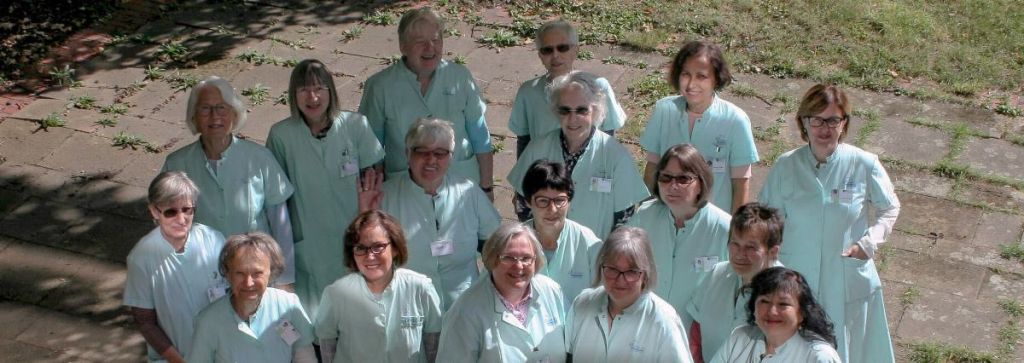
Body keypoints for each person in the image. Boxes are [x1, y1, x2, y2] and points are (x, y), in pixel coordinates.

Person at [758, 84, 899, 363]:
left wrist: (868, 243)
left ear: (844, 123)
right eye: (817, 120)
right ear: (803, 122)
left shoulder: (864, 163)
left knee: (848, 349)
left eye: (833, 120)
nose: (825, 129)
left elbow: (890, 207)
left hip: (845, 276)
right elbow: (766, 220)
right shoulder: (786, 166)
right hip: (797, 275)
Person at [267, 59, 385, 316]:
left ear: (331, 91)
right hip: (311, 244)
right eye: (304, 90)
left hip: (353, 234)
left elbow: (375, 178)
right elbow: (276, 198)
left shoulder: (355, 126)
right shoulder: (281, 136)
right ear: (293, 95)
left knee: (360, 312)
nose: (313, 97)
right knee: (318, 317)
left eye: (319, 88)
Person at [162, 76, 296, 289]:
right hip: (200, 275)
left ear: (235, 114)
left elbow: (281, 224)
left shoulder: (259, 158)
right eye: (205, 108)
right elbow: (168, 227)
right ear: (194, 116)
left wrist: (285, 280)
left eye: (221, 108)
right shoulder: (177, 164)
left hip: (255, 273)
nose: (214, 116)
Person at [367, 117, 501, 310]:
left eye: (440, 153)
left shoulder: (468, 191)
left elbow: (496, 243)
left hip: (463, 304)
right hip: (408, 305)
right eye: (422, 152)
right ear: (407, 154)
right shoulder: (384, 197)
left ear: (451, 157)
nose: (431, 160)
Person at [359, 7, 494, 193]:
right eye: (420, 42)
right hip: (404, 188)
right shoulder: (379, 86)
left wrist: (487, 188)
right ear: (403, 46)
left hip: (461, 183)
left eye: (435, 40)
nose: (430, 48)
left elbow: (481, 138)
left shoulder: (460, 77)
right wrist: (378, 196)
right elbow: (371, 152)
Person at [508, 71, 649, 238]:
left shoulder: (616, 156)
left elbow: (626, 217)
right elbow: (522, 202)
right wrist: (538, 240)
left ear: (595, 111)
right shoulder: (537, 149)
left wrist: (609, 251)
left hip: (596, 250)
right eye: (565, 110)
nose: (573, 118)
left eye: (582, 110)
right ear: (556, 111)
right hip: (544, 248)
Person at [639, 40, 758, 213]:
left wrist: (735, 226)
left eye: (701, 76)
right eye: (686, 74)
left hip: (713, 223)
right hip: (667, 219)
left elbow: (741, 183)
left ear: (716, 79)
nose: (691, 84)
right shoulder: (663, 110)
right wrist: (645, 216)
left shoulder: (735, 120)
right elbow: (652, 169)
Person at [123, 171, 226, 363]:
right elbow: (145, 322)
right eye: (171, 212)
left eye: (187, 210)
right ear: (154, 211)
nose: (181, 219)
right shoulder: (141, 258)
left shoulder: (214, 240)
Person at [315, 210, 443, 363]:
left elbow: (434, 346)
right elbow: (327, 344)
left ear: (395, 248)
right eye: (360, 248)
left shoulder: (421, 288)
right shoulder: (335, 294)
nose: (370, 256)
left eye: (378, 246)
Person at [626, 144, 731, 325]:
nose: (673, 186)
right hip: (646, 326)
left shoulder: (725, 228)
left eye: (683, 179)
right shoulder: (644, 216)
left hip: (698, 333)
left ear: (701, 183)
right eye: (666, 178)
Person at [436, 223, 567, 362]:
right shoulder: (464, 313)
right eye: (508, 258)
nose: (518, 266)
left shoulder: (551, 291)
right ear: (492, 259)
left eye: (526, 258)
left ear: (536, 260)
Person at [565, 226, 693, 363]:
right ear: (601, 267)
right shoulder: (582, 304)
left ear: (645, 274)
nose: (620, 280)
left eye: (631, 272)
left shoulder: (664, 321)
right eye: (612, 269)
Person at [188, 232, 316, 363]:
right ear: (227, 274)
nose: (248, 283)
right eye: (240, 273)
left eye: (257, 273)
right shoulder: (208, 322)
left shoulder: (288, 305)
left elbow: (305, 356)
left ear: (271, 272)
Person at [509, 19, 627, 156]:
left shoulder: (599, 86)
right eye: (547, 50)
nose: (555, 55)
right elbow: (524, 140)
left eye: (562, 48)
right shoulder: (528, 92)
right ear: (540, 55)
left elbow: (609, 134)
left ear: (575, 50)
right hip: (545, 166)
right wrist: (523, 169)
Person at [686, 203, 784, 362]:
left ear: (773, 252)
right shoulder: (717, 273)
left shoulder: (787, 294)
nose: (739, 254)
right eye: (735, 244)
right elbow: (697, 330)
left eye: (750, 247)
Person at [710, 267, 841, 363]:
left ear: (802, 313)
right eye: (764, 301)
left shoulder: (820, 357)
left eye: (783, 304)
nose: (772, 311)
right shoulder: (740, 338)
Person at [521, 159, 602, 305]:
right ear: (528, 201)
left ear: (569, 201)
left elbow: (605, 298)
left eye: (559, 200)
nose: (552, 209)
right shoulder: (512, 242)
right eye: (543, 201)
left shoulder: (589, 243)